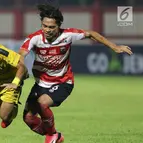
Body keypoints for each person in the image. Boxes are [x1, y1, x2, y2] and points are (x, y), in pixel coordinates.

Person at [19, 4, 133, 143]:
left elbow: (91, 33)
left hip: (63, 82)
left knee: (42, 103)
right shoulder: (34, 38)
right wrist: (20, 68)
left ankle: (52, 136)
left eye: (51, 27)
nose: (47, 30)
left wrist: (114, 46)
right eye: (44, 26)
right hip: (40, 83)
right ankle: (56, 136)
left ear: (59, 25)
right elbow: (21, 56)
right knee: (28, 118)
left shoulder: (68, 35)